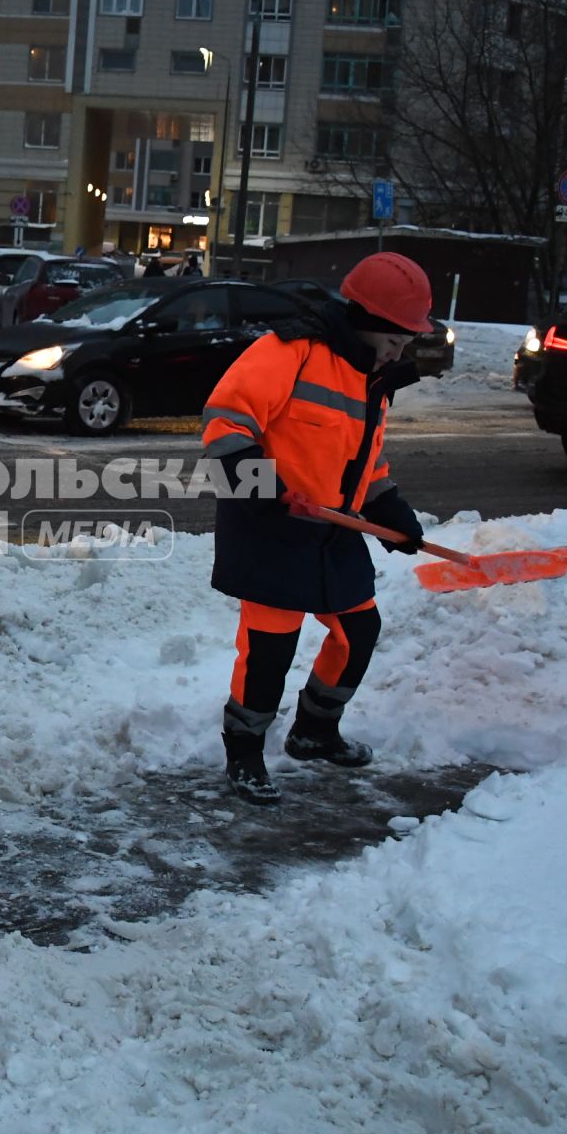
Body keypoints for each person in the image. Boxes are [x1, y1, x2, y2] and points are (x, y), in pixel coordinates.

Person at [198, 251, 434, 805]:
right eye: (398, 335)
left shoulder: (373, 378)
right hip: (272, 528)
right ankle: (245, 753)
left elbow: (366, 464)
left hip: (333, 531)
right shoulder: (291, 352)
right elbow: (225, 423)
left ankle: (314, 731)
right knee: (268, 654)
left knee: (359, 632)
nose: (404, 347)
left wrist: (391, 512)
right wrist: (261, 489)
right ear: (368, 320)